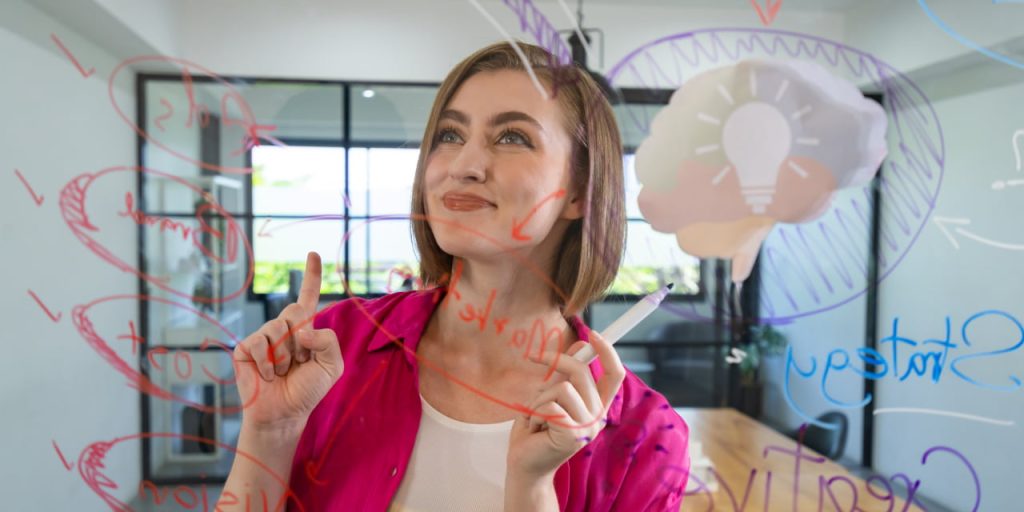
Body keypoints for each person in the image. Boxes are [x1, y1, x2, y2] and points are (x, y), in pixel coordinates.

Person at [221, 41, 690, 511]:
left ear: (579, 193)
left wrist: (533, 487)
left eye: (512, 137)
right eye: (449, 135)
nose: (464, 166)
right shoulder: (329, 350)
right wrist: (270, 432)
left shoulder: (647, 438)